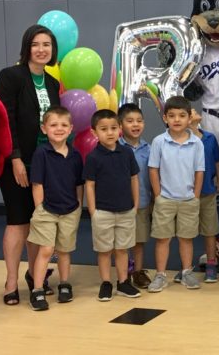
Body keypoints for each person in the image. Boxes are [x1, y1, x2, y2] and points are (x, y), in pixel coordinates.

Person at [0, 24, 61, 305]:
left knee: (41, 223)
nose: (42, 49)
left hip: (46, 164)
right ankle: (11, 281)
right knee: (18, 221)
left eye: (47, 44)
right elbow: (4, 119)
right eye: (36, 44)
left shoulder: (53, 83)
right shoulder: (10, 77)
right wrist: (16, 157)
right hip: (16, 162)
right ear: (27, 47)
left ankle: (36, 277)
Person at [26, 107, 84, 311]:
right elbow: (37, 184)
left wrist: (78, 205)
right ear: (44, 129)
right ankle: (37, 289)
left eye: (63, 125)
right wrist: (40, 209)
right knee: (46, 250)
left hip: (70, 210)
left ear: (70, 129)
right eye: (53, 125)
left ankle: (65, 284)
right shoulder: (42, 153)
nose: (58, 129)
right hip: (47, 211)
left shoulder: (76, 155)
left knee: (64, 250)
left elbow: (79, 183)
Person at [146, 96, 205, 292]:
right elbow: (153, 169)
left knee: (186, 238)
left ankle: (187, 272)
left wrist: (195, 195)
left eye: (182, 116)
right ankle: (161, 274)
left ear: (190, 119)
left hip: (188, 199)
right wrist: (158, 195)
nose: (177, 120)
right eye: (172, 116)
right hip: (166, 199)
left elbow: (199, 171)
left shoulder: (197, 143)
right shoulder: (159, 141)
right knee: (163, 238)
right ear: (165, 118)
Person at [83, 109, 142, 302]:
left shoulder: (126, 153)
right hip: (103, 212)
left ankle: (123, 282)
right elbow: (90, 185)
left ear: (119, 129)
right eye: (104, 129)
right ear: (94, 133)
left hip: (126, 210)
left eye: (114, 128)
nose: (110, 133)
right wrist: (93, 211)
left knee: (123, 249)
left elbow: (134, 178)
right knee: (104, 250)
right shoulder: (93, 157)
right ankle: (106, 282)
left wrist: (135, 204)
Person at [118, 103, 154, 289]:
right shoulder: (115, 148)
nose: (135, 124)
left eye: (139, 121)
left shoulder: (149, 149)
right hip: (120, 204)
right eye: (130, 121)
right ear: (120, 124)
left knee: (139, 240)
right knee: (121, 243)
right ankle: (122, 276)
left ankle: (138, 272)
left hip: (142, 202)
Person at [188, 108, 219, 284]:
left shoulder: (209, 137)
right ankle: (186, 268)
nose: (195, 111)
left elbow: (216, 160)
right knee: (185, 232)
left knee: (210, 230)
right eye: (191, 111)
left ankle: (211, 264)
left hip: (208, 190)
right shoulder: (182, 139)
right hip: (186, 192)